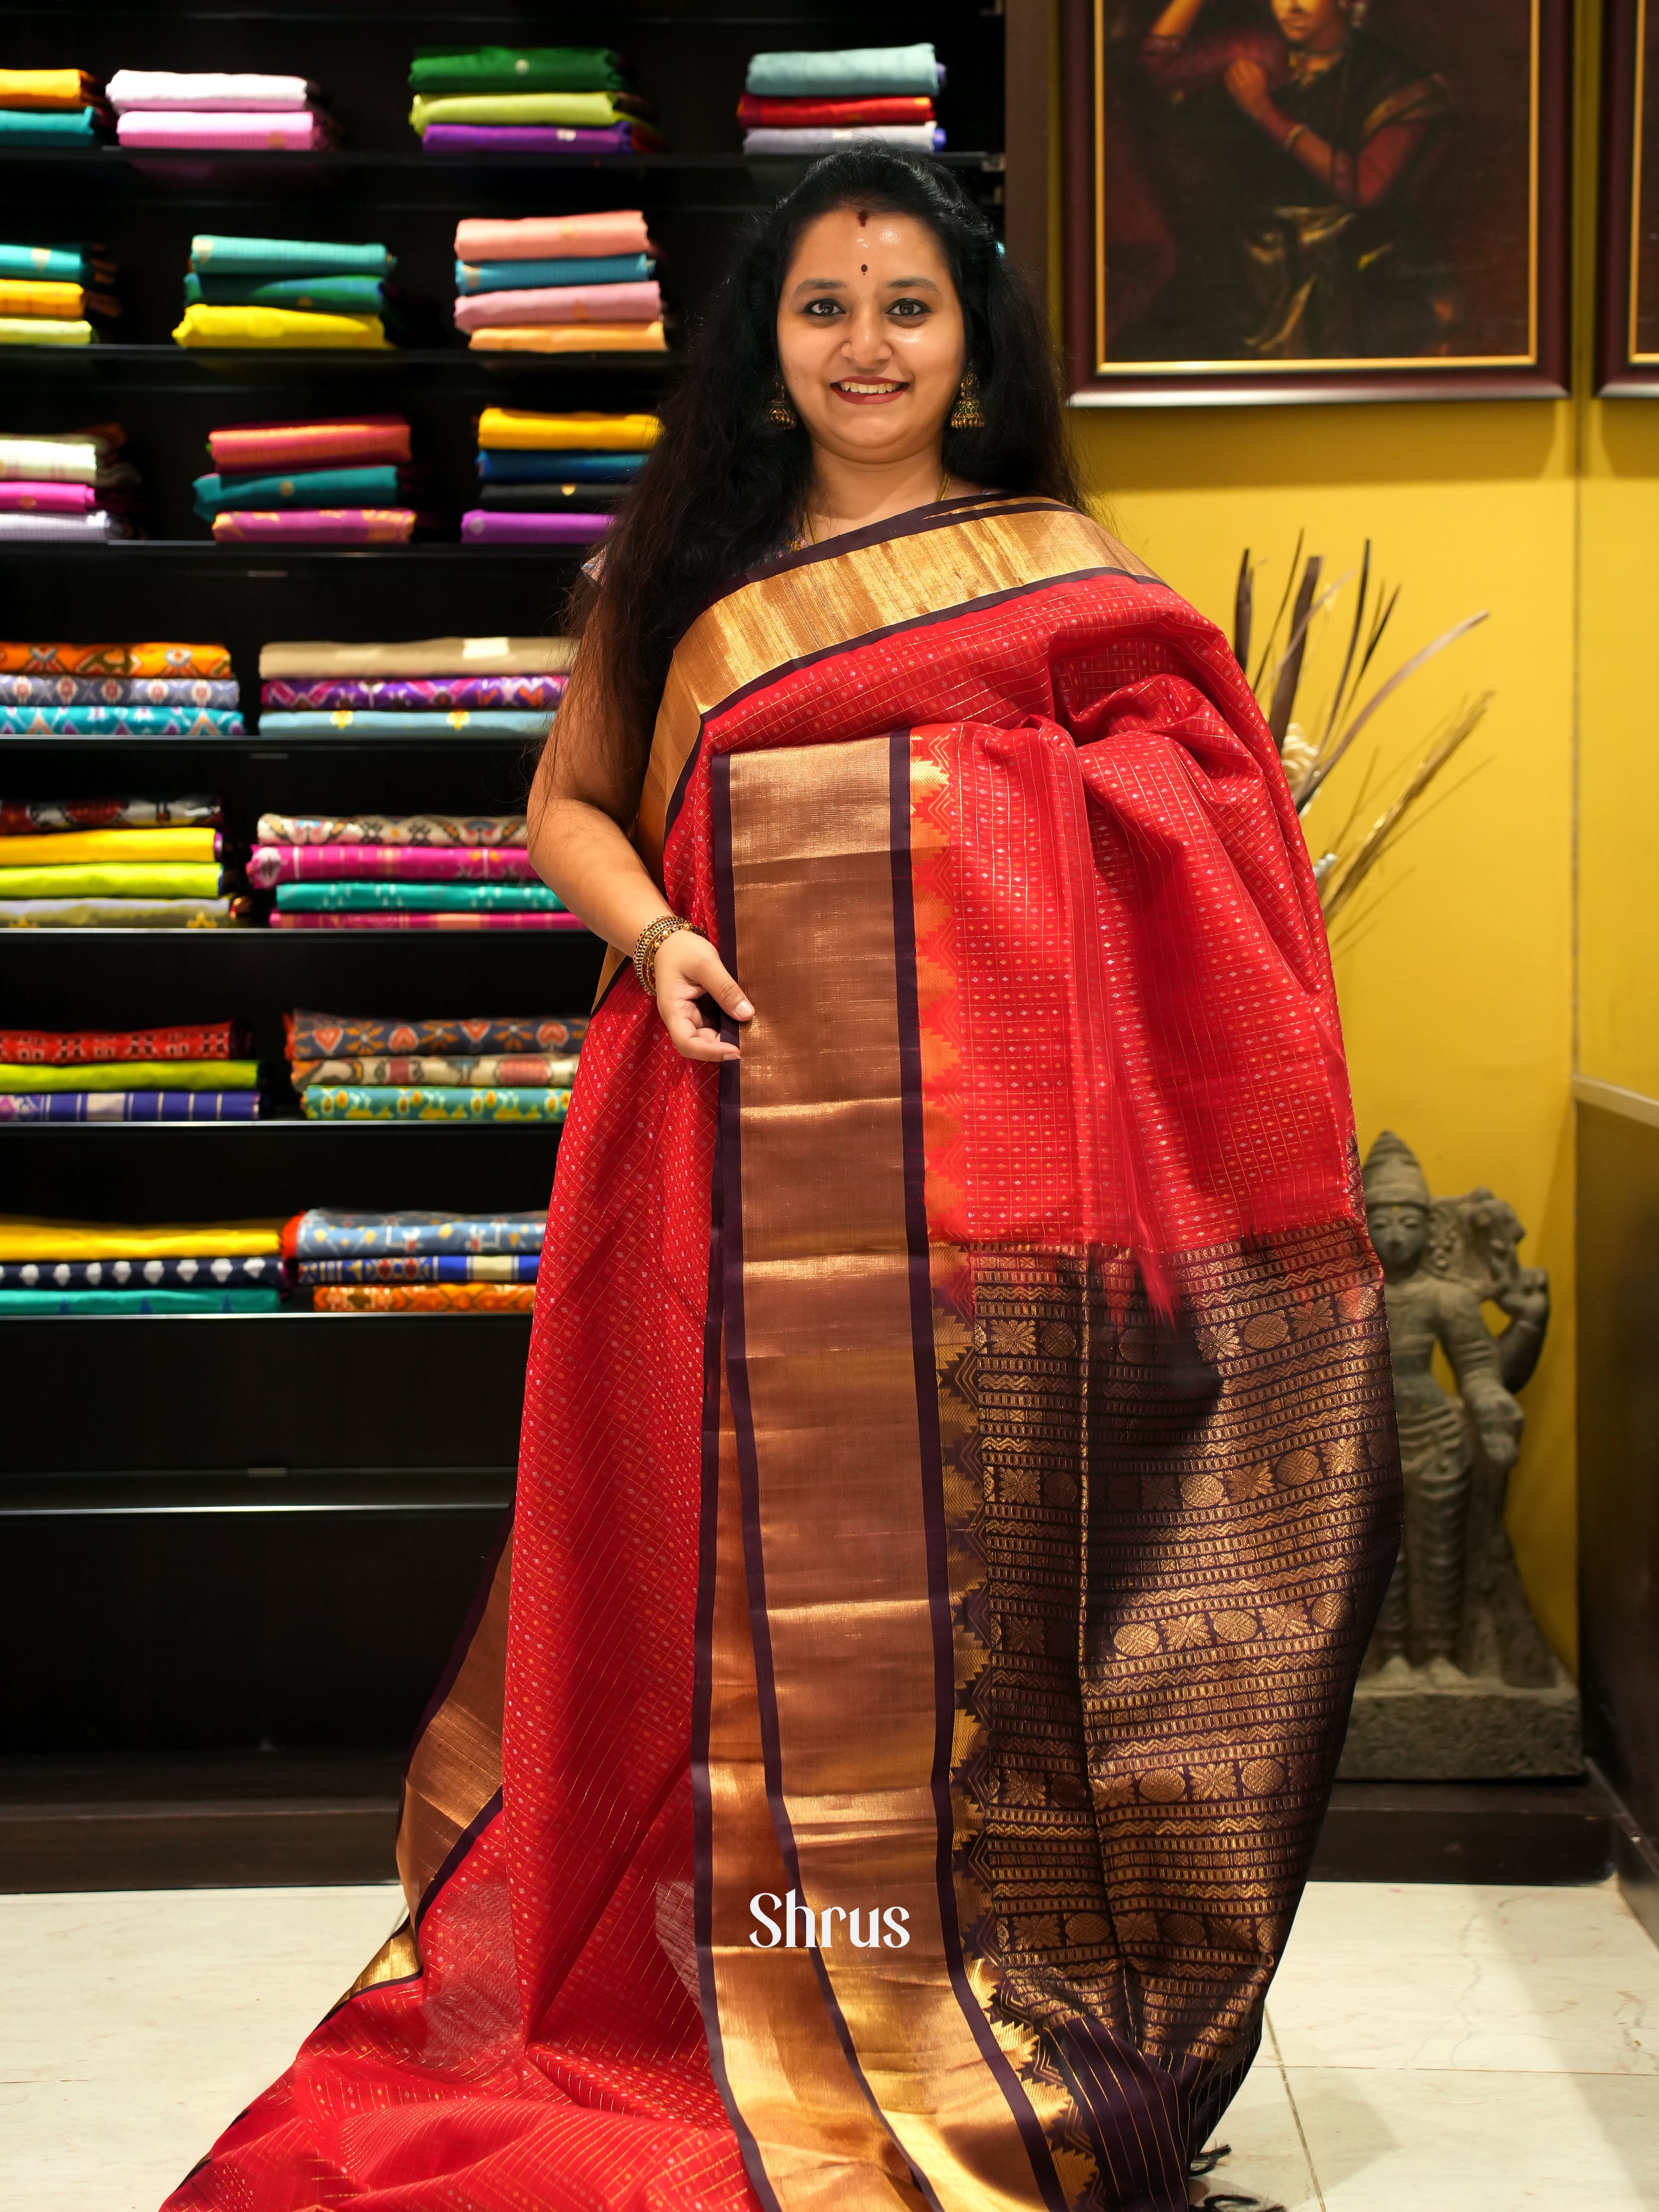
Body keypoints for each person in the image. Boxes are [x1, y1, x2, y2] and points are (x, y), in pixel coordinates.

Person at [163, 149, 1400, 2212]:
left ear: (970, 341)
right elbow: (563, 806)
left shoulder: (1055, 571)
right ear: (763, 342)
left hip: (995, 1179)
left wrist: (997, 809)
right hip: (720, 1142)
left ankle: (965, 1982)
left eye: (903, 304)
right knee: (703, 1578)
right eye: (820, 303)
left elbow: (1191, 811)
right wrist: (652, 932)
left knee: (967, 1597)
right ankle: (720, 1965)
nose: (861, 344)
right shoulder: (676, 575)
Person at [1129, 0, 1453, 360]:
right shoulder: (1260, 48)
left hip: (1348, 262)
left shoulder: (1394, 79)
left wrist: (1266, 112)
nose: (1292, 7)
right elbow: (1156, 65)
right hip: (1255, 262)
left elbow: (1364, 186)